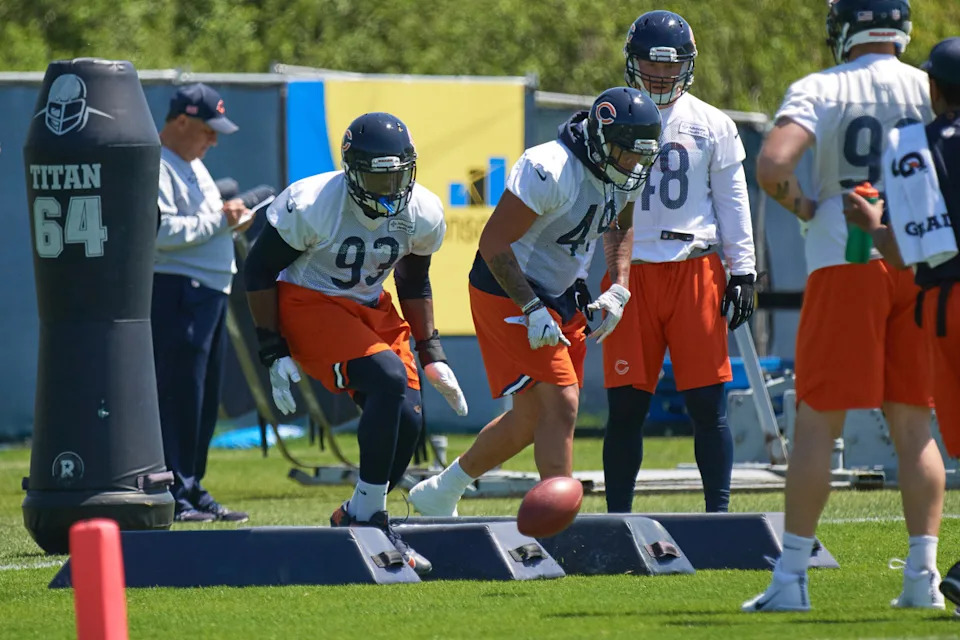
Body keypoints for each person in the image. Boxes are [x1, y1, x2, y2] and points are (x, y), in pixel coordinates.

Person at [743, 0, 945, 612]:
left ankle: (791, 579)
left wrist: (803, 205)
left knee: (817, 421)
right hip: (918, 257)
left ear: (845, 28)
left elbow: (774, 164)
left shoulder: (821, 88)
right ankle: (922, 579)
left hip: (847, 257)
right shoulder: (927, 84)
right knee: (913, 424)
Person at [407, 87, 662, 517]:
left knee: (531, 419)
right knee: (561, 403)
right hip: (508, 288)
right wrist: (530, 307)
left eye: (640, 156)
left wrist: (619, 285)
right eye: (626, 153)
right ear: (601, 140)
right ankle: (559, 522)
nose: (633, 164)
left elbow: (619, 225)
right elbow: (493, 242)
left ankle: (441, 491)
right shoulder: (551, 168)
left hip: (563, 295)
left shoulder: (624, 170)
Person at [243, 112, 468, 576]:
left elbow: (413, 280)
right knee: (386, 378)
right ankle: (372, 519)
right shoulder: (313, 203)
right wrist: (272, 347)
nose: (388, 188)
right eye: (376, 176)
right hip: (309, 301)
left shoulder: (422, 210)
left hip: (371, 306)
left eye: (396, 176)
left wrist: (432, 351)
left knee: (407, 417)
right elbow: (259, 270)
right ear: (351, 171)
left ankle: (357, 513)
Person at [601, 10, 756, 515]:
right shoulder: (605, 115)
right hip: (629, 273)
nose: (662, 75)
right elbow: (590, 203)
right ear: (633, 61)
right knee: (625, 407)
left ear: (688, 66)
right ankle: (619, 519)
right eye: (652, 64)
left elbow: (733, 200)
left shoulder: (712, 123)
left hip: (695, 268)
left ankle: (719, 515)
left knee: (708, 407)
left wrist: (743, 270)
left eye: (672, 66)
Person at [841, 36, 960, 611]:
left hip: (948, 303)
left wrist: (868, 223)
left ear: (933, 88)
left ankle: (945, 574)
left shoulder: (916, 145)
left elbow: (913, 250)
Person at [153, 83, 253, 524]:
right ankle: (173, 488)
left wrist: (228, 220)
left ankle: (191, 484)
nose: (213, 140)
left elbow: (203, 226)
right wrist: (222, 219)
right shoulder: (155, 165)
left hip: (207, 290)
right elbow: (159, 233)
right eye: (207, 130)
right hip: (178, 291)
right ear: (180, 122)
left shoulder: (192, 164)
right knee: (180, 392)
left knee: (204, 396)